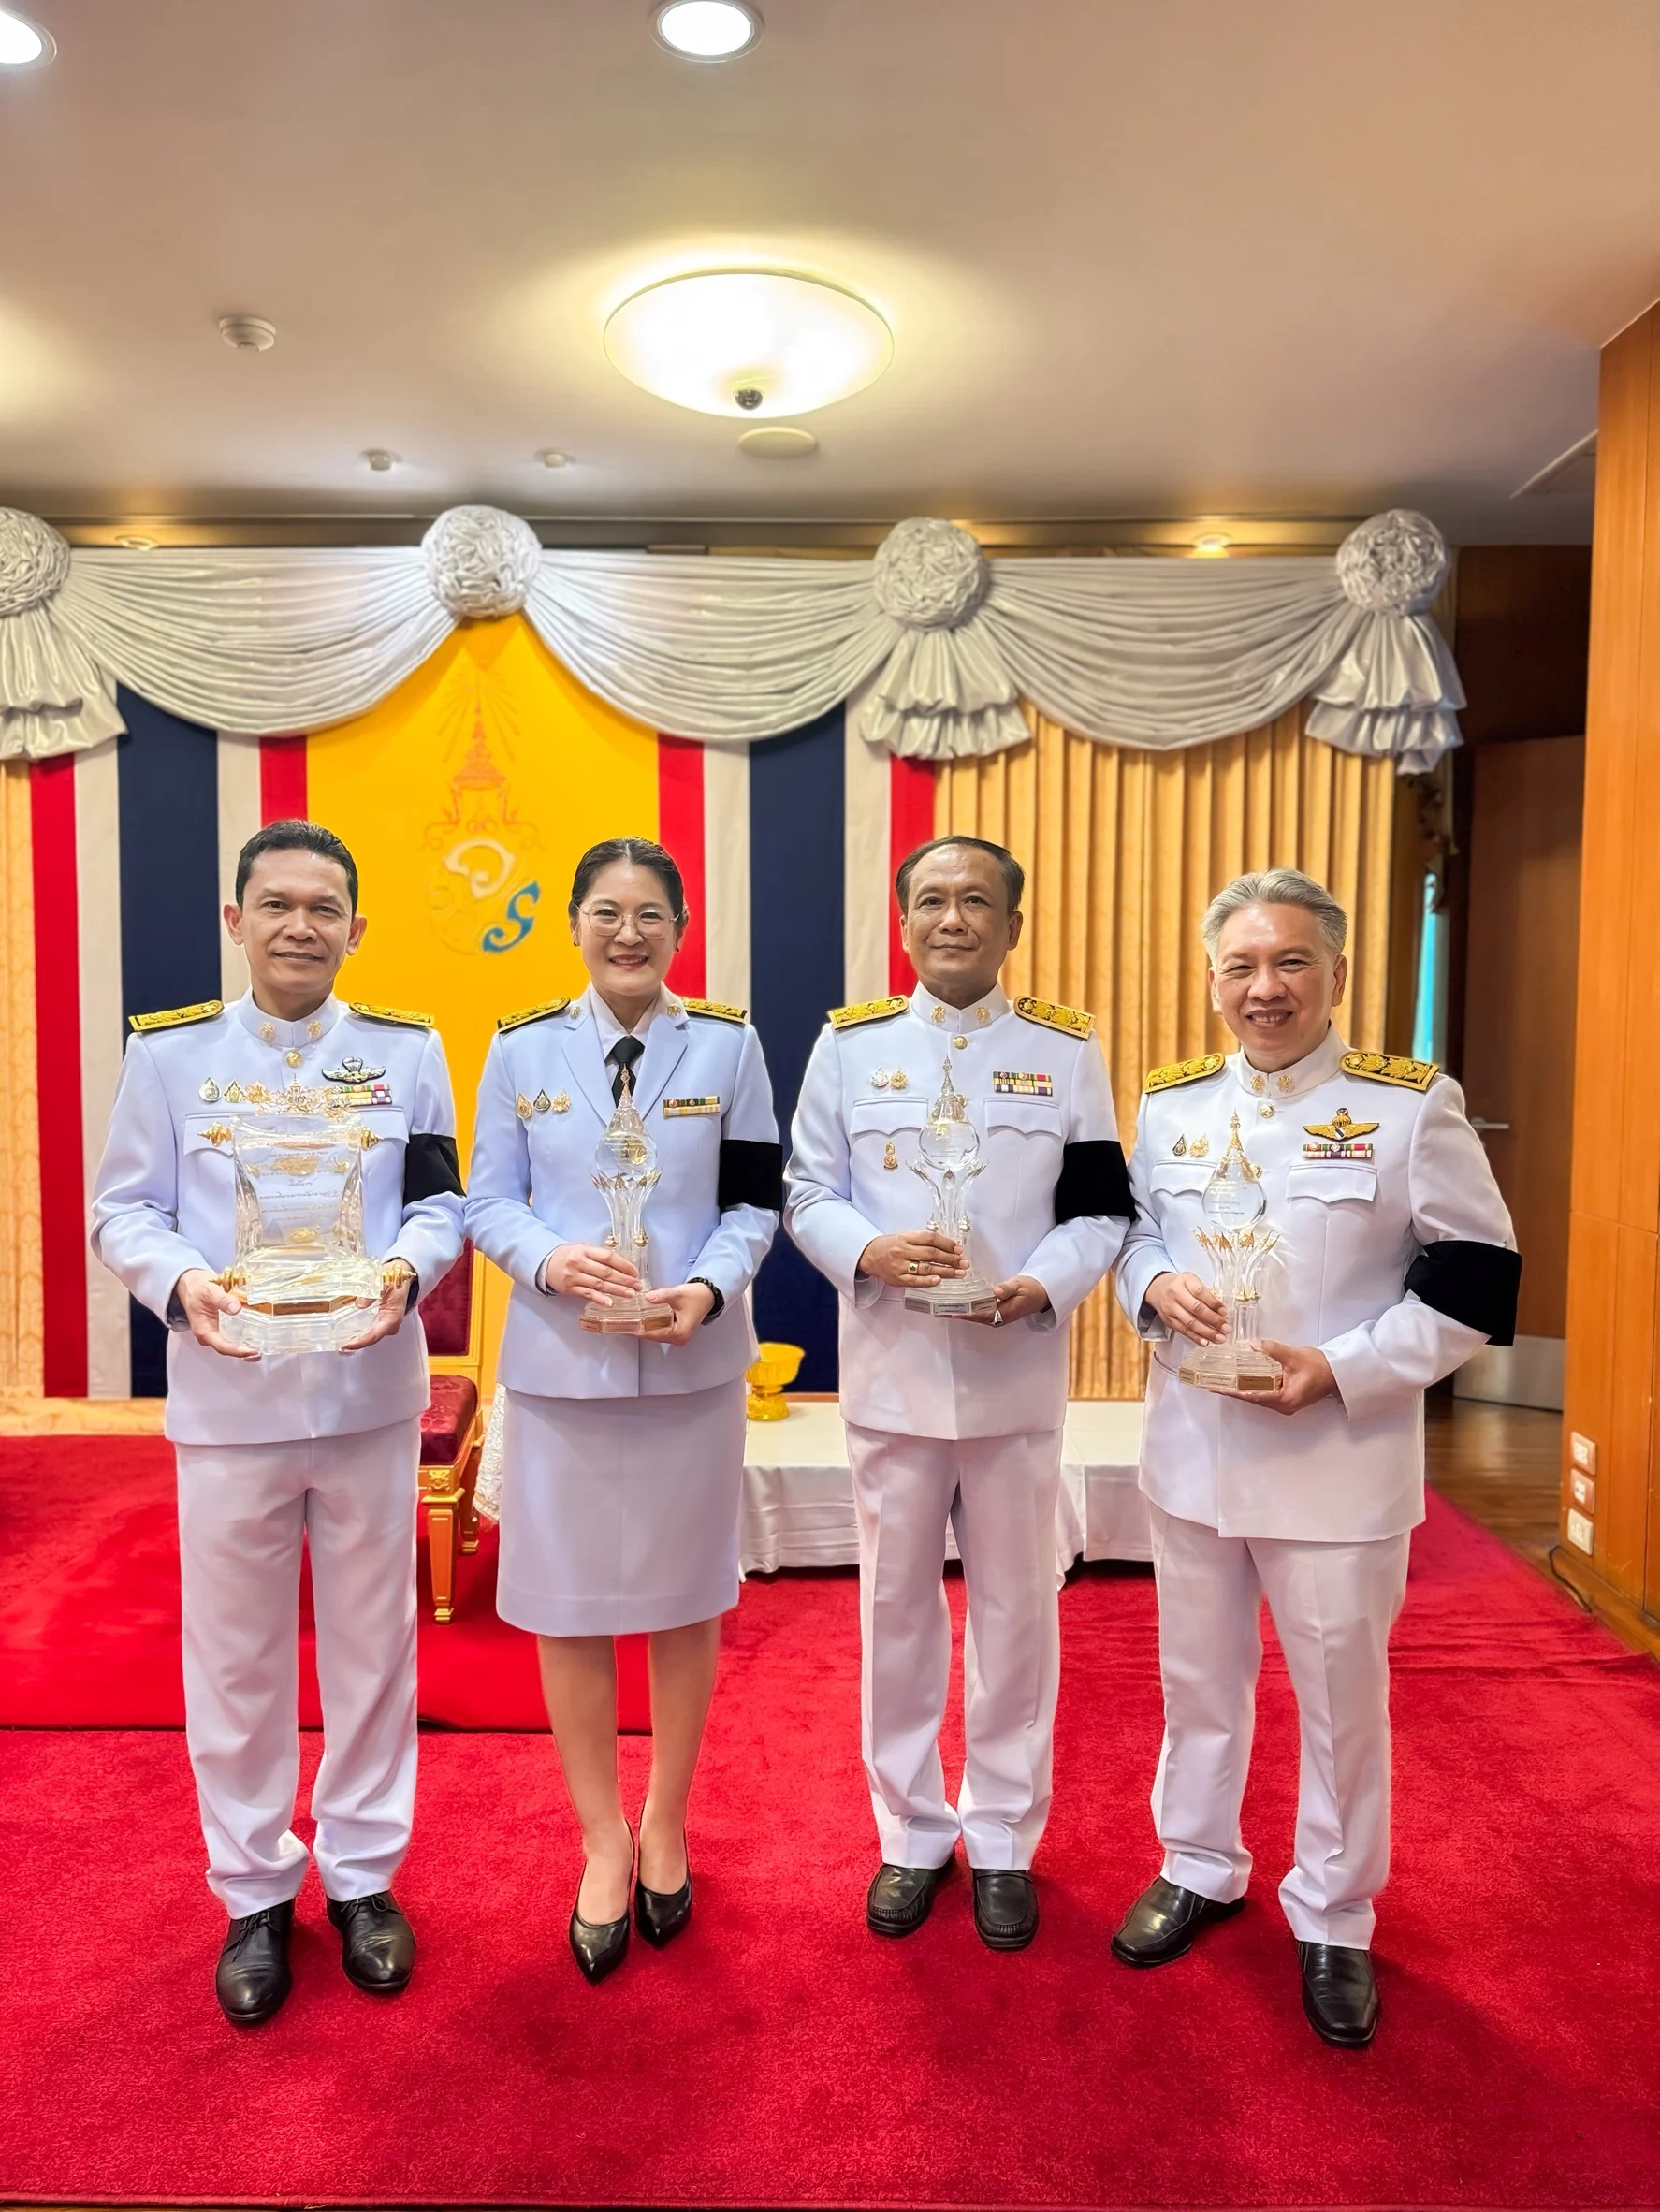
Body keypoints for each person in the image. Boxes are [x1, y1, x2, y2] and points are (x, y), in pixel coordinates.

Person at [1110, 867, 1519, 2047]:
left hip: (1338, 1460)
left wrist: (1340, 1369)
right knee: (1197, 1683)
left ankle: (1334, 1914)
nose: (1265, 987)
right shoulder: (1172, 1104)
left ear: (1336, 973)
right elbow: (1133, 1234)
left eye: (1290, 961)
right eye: (1240, 965)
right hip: (1193, 1452)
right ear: (1211, 980)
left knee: (1339, 1702)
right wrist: (1154, 1283)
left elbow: (1476, 1279)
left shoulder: (1408, 1106)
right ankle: (1197, 1862)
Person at [90, 820, 465, 2026]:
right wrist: (182, 1284)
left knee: (372, 1649)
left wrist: (404, 1273)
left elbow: (441, 1203)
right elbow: (122, 1211)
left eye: (324, 908)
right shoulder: (169, 1056)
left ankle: (361, 1877)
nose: (301, 926)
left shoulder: (407, 1051)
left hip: (364, 1392)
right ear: (235, 921)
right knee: (235, 1656)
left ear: (357, 929)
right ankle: (253, 1890)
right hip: (230, 1395)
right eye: (278, 904)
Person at [785, 836, 1133, 1951]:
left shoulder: (1063, 1052)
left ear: (1010, 926)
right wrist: (867, 1251)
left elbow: (1101, 1208)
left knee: (1018, 1616)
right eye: (930, 900)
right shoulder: (850, 1047)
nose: (951, 918)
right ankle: (909, 1832)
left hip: (1011, 1374)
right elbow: (805, 1190)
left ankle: (1003, 1838)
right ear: (902, 922)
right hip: (891, 1377)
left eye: (975, 900)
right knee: (893, 1613)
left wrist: (1044, 1283)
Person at [466, 836, 781, 1986]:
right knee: (570, 1608)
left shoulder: (730, 1045)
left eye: (651, 914)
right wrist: (551, 1262)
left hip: (690, 1368)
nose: (628, 933)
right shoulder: (520, 1048)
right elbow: (486, 1200)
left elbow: (755, 1201)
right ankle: (600, 1838)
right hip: (563, 1369)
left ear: (681, 931)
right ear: (574, 925)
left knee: (684, 1601)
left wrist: (707, 1288)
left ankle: (664, 1822)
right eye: (607, 912)